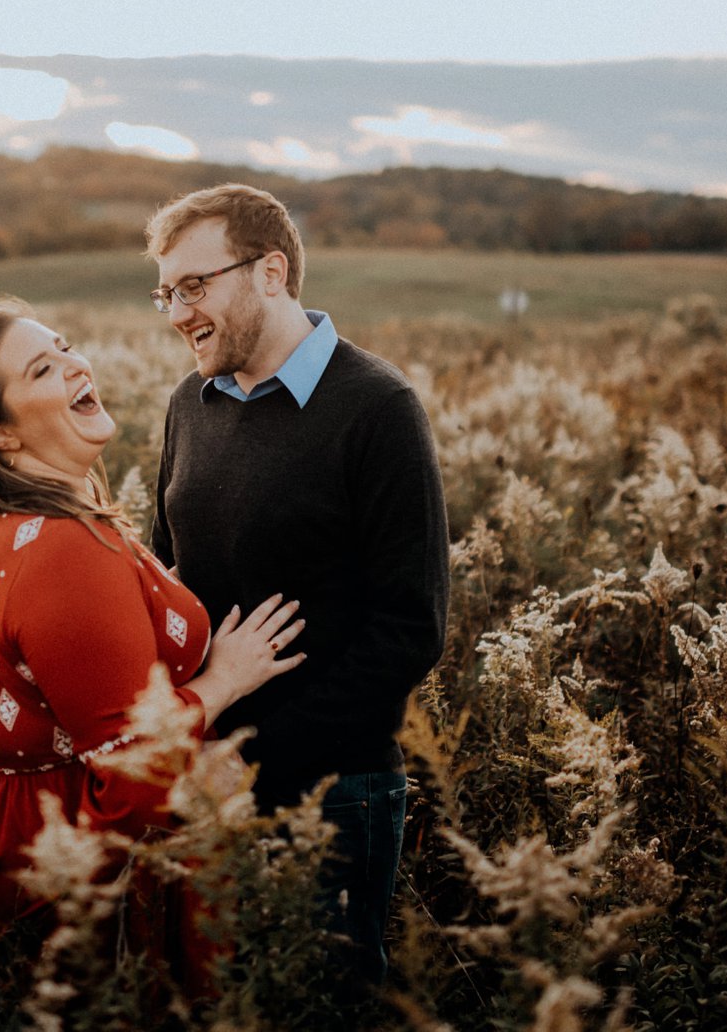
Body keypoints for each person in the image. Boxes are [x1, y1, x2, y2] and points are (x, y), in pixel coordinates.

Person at [0, 298, 306, 972]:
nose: (73, 365)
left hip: (5, 828)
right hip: (70, 861)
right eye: (41, 369)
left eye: (64, 346)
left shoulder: (3, 512)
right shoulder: (64, 547)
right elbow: (131, 769)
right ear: (0, 434)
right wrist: (225, 679)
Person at [146, 184, 449, 986]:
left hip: (333, 797)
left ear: (271, 272)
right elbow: (165, 587)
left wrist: (252, 760)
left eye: (195, 286)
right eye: (167, 292)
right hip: (201, 784)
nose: (177, 312)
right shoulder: (190, 402)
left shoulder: (377, 408)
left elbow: (409, 628)